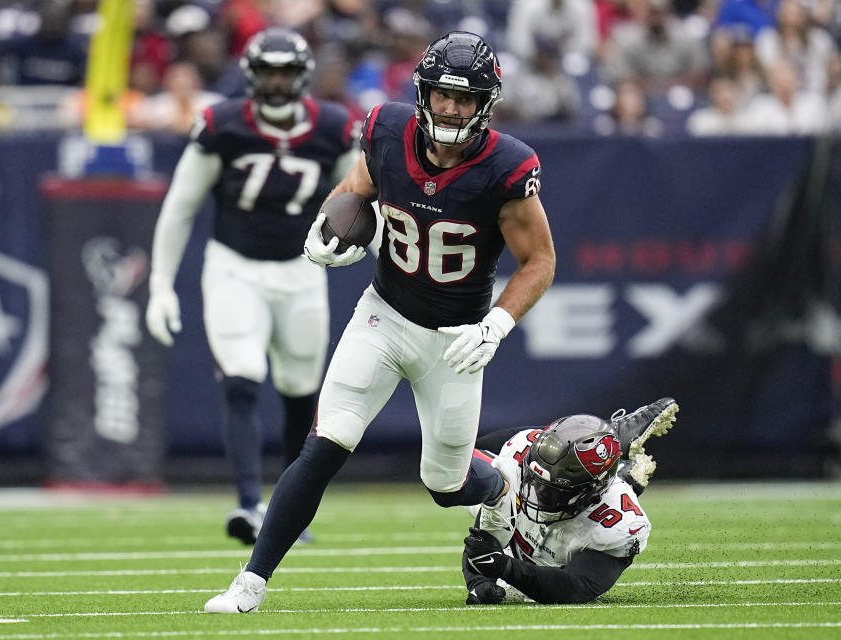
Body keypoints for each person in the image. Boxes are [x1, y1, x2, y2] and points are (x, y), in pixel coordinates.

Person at [204, 30, 557, 613]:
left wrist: (496, 324)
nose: (450, 108)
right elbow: (353, 192)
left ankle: (500, 486)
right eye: (442, 95)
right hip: (384, 314)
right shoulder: (387, 131)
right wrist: (327, 233)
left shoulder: (506, 166)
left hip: (455, 338)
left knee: (446, 484)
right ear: (422, 92)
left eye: (464, 99)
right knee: (325, 444)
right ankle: (250, 583)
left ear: (485, 104)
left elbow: (539, 260)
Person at [145, 27, 360, 545]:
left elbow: (361, 196)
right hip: (234, 266)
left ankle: (288, 511)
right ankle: (247, 504)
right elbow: (180, 205)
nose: (279, 81)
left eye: (287, 71)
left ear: (303, 75)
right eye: (269, 71)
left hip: (302, 269)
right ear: (251, 75)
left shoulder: (332, 127)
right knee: (241, 378)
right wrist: (160, 284)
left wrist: (366, 245)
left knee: (299, 391)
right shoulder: (222, 124)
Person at [463, 397, 678, 605]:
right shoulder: (520, 460)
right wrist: (480, 581)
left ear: (590, 492)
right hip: (546, 487)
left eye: (551, 490)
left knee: (518, 588)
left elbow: (574, 587)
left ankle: (624, 476)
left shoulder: (620, 524)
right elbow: (479, 546)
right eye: (535, 482)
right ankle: (613, 434)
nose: (536, 493)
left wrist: (504, 568)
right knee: (457, 475)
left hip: (563, 546)